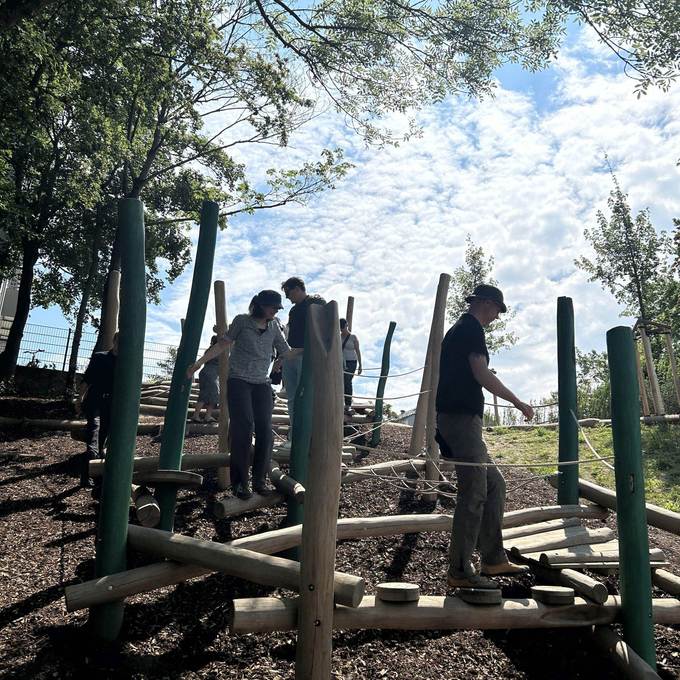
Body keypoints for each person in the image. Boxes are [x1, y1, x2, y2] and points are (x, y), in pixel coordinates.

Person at [436, 284, 535, 590]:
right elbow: (481, 372)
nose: (496, 317)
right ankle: (460, 570)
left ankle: (492, 558)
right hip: (460, 419)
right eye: (496, 310)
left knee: (495, 484)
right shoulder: (470, 329)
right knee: (474, 491)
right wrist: (517, 401)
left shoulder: (461, 330)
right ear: (487, 304)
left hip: (461, 420)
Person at [187, 290, 300, 500]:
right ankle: (240, 483)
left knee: (266, 431)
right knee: (244, 427)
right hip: (239, 380)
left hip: (262, 384)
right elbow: (222, 344)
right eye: (272, 307)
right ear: (259, 305)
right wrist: (199, 363)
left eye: (277, 308)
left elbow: (286, 351)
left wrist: (309, 350)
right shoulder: (242, 321)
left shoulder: (274, 325)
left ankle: (259, 480)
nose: (275, 311)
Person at [280, 276, 325, 444]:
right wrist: (282, 357)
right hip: (291, 356)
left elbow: (322, 331)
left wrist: (302, 350)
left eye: (288, 292)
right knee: (292, 398)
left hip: (307, 357)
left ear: (297, 288)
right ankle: (295, 436)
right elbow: (291, 335)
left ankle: (310, 437)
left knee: (306, 397)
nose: (287, 297)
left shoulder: (315, 302)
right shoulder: (293, 310)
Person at [77, 332, 118, 487]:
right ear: (114, 341)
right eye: (119, 341)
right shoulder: (100, 357)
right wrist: (79, 397)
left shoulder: (125, 363)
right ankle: (89, 471)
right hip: (94, 400)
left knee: (102, 438)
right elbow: (87, 378)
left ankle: (91, 474)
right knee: (94, 431)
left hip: (111, 404)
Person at [191, 335, 219, 423]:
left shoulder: (210, 349)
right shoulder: (216, 350)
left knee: (213, 395)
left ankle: (207, 416)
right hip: (210, 374)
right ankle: (196, 415)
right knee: (206, 394)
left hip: (209, 374)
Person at [340, 318, 362, 413]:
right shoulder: (338, 337)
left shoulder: (353, 337)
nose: (342, 330)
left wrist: (360, 365)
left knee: (347, 381)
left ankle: (348, 404)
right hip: (342, 362)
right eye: (340, 328)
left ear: (346, 326)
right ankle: (341, 402)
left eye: (343, 327)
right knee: (341, 382)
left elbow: (358, 351)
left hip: (352, 362)